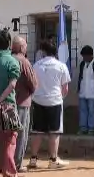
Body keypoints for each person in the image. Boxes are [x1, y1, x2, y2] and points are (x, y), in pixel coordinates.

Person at [0, 28, 25, 177]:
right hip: (7, 105)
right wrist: (0, 100)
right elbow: (12, 85)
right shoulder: (12, 61)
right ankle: (9, 172)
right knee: (9, 140)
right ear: (9, 43)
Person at [28, 39, 71, 168]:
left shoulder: (36, 65)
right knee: (54, 132)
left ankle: (33, 159)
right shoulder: (61, 66)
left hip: (38, 100)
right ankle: (53, 160)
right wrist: (59, 98)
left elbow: (33, 84)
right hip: (54, 101)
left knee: (37, 131)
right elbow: (65, 89)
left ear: (43, 52)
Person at [11, 35, 38, 172]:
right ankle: (17, 164)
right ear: (21, 47)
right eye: (25, 45)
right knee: (21, 135)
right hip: (22, 102)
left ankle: (6, 163)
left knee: (8, 135)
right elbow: (33, 83)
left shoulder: (7, 59)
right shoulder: (24, 61)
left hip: (7, 102)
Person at [77, 45, 94, 135]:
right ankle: (83, 128)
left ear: (90, 55)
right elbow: (80, 77)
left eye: (85, 56)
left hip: (93, 92)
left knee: (92, 110)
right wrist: (78, 88)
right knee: (83, 110)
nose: (84, 58)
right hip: (83, 91)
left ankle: (91, 128)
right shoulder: (82, 64)